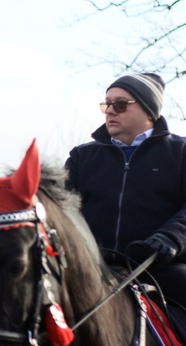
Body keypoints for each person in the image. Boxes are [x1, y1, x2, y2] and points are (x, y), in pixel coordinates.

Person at [65, 72, 186, 309]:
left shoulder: (181, 153)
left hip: (163, 269)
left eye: (120, 104)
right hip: (90, 268)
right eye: (107, 104)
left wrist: (168, 240)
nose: (110, 111)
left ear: (149, 111)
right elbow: (62, 212)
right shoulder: (81, 157)